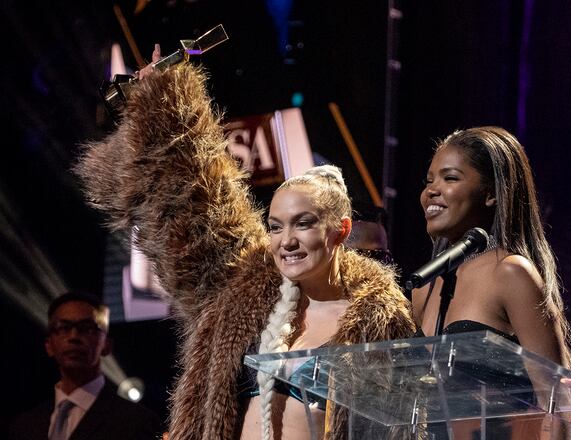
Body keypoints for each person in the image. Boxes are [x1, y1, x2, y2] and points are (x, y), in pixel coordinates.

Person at [75, 47, 415, 439]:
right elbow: (195, 206)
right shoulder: (246, 297)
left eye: (302, 224)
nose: (286, 241)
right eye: (274, 226)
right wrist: (162, 102)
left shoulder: (379, 319)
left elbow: (402, 426)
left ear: (339, 229)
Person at [411, 126, 571, 438]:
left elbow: (554, 396)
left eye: (450, 178)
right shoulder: (425, 287)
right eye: (429, 180)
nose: (431, 191)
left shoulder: (510, 272)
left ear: (491, 193)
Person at [8, 292, 161, 440]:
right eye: (63, 328)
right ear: (49, 345)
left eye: (87, 328)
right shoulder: (23, 426)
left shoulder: (137, 422)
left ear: (106, 345)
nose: (74, 337)